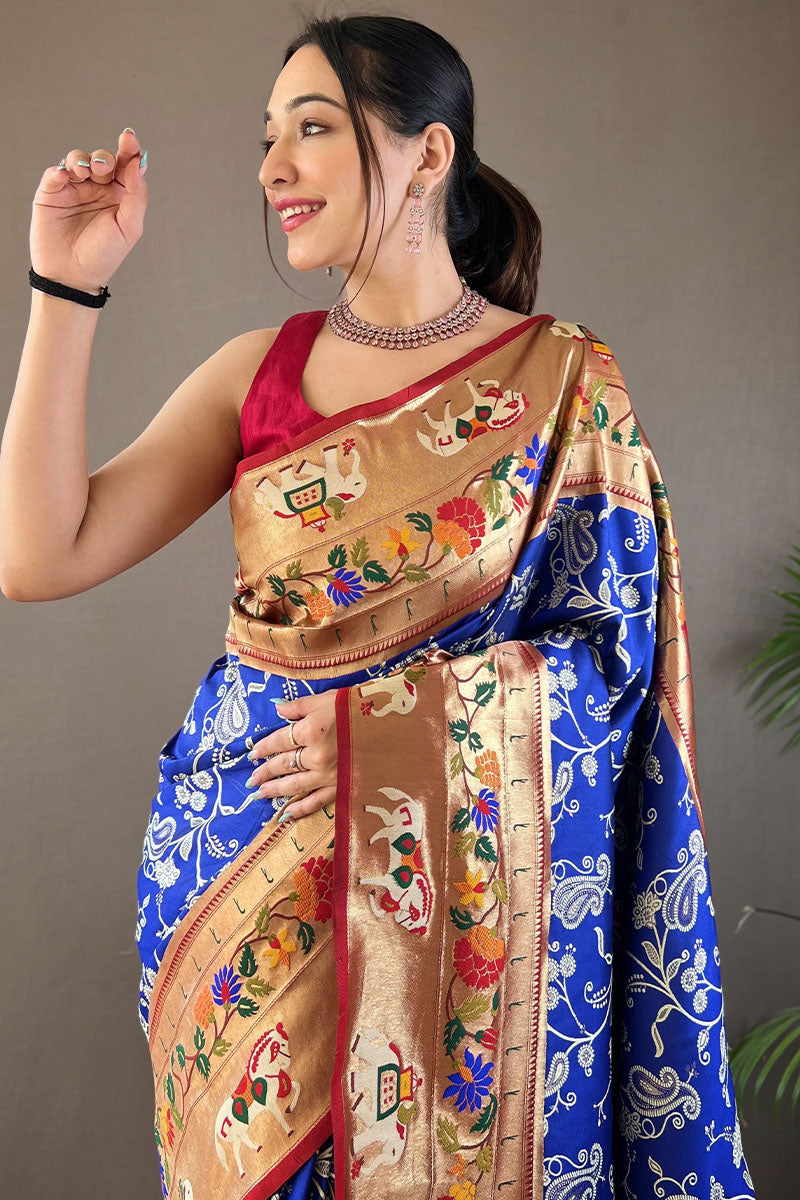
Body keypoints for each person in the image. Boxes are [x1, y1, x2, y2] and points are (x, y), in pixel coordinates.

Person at [0, 13, 757, 1200]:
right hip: (246, 918)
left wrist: (389, 734)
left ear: (427, 153)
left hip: (467, 943)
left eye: (310, 129)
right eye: (266, 138)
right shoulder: (255, 373)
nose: (272, 169)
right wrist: (64, 285)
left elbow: (615, 673)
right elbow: (40, 554)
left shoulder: (560, 382)